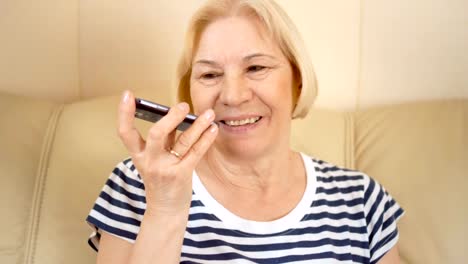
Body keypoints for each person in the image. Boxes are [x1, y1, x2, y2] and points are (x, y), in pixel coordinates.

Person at [86, 0, 404, 263]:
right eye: (210, 74)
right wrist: (166, 209)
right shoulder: (139, 185)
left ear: (298, 79)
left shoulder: (362, 202)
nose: (233, 96)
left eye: (256, 68)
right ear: (189, 93)